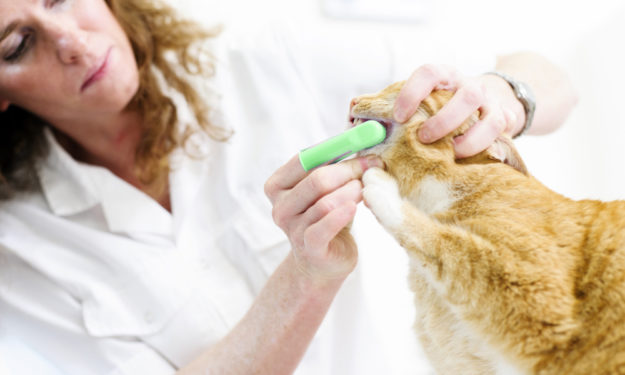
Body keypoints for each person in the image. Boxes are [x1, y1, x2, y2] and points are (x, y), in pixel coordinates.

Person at [0, 0, 577, 374]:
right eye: (17, 44)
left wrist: (505, 97)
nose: (70, 40)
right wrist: (306, 275)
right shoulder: (20, 250)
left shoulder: (261, 61)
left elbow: (553, 82)